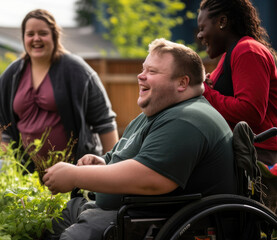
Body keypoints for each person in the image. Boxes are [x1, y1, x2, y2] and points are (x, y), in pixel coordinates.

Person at [42, 38, 237, 240]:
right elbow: (136, 160)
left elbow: (151, 180)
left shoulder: (188, 119)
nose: (140, 76)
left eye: (152, 72)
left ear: (182, 83)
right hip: (121, 212)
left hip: (156, 222)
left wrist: (75, 176)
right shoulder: (156, 115)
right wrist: (101, 164)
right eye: (143, 69)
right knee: (46, 224)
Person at [0, 9, 118, 164]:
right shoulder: (10, 76)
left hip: (76, 170)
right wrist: (2, 171)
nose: (36, 39)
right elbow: (4, 130)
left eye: (43, 33)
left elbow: (104, 122)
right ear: (23, 38)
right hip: (27, 174)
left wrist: (111, 166)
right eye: (30, 34)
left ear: (54, 35)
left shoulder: (77, 70)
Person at [197, 0, 277, 166]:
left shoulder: (248, 50)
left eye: (202, 28)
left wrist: (205, 91)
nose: (199, 35)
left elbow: (251, 112)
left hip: (260, 157)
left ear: (222, 22)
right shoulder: (231, 54)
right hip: (245, 152)